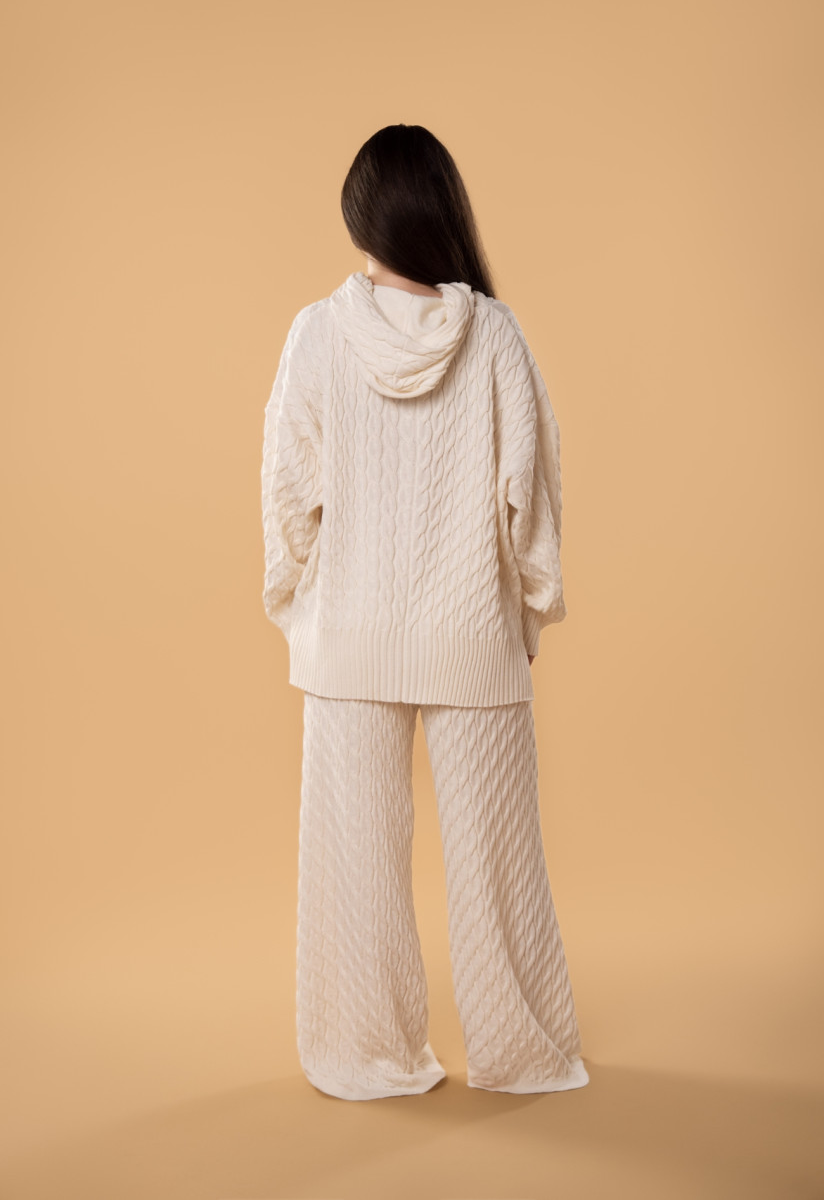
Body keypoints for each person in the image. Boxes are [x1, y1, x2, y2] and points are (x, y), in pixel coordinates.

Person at [261, 123, 589, 1101]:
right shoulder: (495, 334)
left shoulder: (316, 334)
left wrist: (299, 604)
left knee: (356, 869)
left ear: (358, 216)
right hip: (472, 636)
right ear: (444, 210)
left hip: (347, 638)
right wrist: (528, 611)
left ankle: (367, 1056)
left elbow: (289, 493)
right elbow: (531, 489)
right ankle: (520, 1056)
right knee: (499, 867)